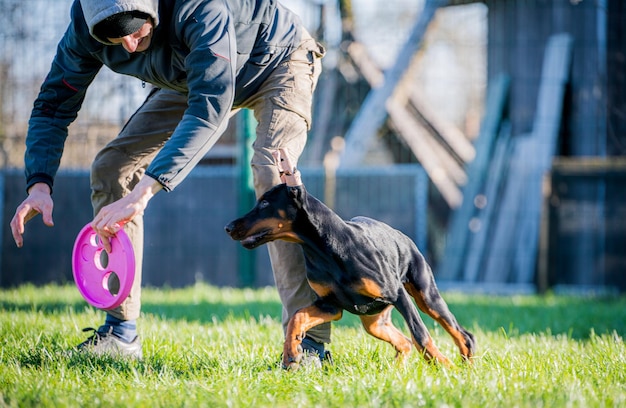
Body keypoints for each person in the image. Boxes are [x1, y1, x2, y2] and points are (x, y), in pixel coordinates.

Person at [9, 0, 331, 363]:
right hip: (191, 76)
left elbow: (210, 107)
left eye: (134, 30)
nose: (129, 46)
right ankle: (120, 333)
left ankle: (309, 344)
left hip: (276, 58)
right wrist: (39, 184)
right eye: (115, 38)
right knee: (113, 166)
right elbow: (54, 103)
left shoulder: (198, 9)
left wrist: (144, 192)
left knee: (273, 178)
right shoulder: (87, 27)